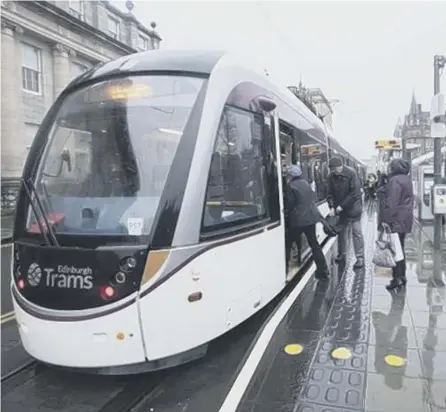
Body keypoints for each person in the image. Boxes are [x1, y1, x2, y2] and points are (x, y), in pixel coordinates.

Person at [284, 165, 329, 278]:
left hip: (298, 220)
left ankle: (286, 268)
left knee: (288, 243)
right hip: (311, 219)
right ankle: (323, 270)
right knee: (314, 244)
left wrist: (285, 212)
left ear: (290, 175)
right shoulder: (305, 183)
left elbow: (290, 203)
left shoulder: (290, 186)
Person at [378, 158, 414, 291]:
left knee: (395, 250)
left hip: (396, 220)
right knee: (400, 248)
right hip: (405, 219)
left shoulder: (395, 180)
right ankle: (402, 277)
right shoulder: (406, 178)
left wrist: (386, 221)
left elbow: (392, 203)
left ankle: (397, 278)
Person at [327, 156, 365, 269]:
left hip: (353, 208)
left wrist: (341, 206)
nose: (333, 172)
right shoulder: (331, 177)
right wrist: (332, 206)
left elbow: (355, 193)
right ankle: (342, 254)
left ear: (340, 167)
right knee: (341, 232)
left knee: (357, 232)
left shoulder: (351, 174)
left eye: (335, 169)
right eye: (332, 170)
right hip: (340, 209)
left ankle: (360, 258)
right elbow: (329, 193)